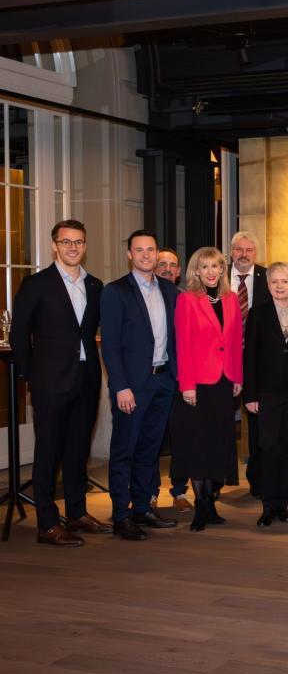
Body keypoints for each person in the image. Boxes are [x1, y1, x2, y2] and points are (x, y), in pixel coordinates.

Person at [10, 219, 107, 547]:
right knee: (48, 452)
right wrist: (29, 375)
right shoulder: (36, 284)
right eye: (66, 242)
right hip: (50, 381)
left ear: (85, 245)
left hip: (87, 378)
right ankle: (47, 524)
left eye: (78, 242)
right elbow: (18, 334)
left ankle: (77, 512)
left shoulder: (95, 285)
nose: (73, 248)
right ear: (54, 245)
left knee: (79, 450)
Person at [101, 229, 181, 540]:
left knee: (149, 450)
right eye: (140, 250)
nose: (146, 255)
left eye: (151, 250)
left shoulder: (169, 290)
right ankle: (121, 514)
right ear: (129, 254)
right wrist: (120, 386)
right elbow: (110, 344)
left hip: (163, 382)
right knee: (125, 449)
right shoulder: (115, 291)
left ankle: (143, 509)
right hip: (132, 386)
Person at [171, 246, 244, 532]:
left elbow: (236, 341)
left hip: (225, 383)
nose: (211, 272)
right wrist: (187, 385)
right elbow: (183, 346)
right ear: (196, 271)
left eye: (216, 267)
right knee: (199, 447)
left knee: (219, 445)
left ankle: (212, 503)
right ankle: (201, 507)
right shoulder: (187, 300)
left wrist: (237, 376)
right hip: (199, 384)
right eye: (205, 267)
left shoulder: (230, 299)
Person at [244, 262, 288, 526]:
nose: (280, 286)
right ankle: (268, 505)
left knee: (287, 448)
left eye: (285, 281)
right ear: (268, 285)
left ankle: (282, 504)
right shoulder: (258, 314)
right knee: (268, 447)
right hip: (267, 393)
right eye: (275, 282)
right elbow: (249, 356)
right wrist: (250, 395)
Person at [230, 231, 269, 498]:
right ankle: (217, 480)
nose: (244, 254)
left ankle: (258, 480)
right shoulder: (217, 277)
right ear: (231, 252)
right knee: (220, 422)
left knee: (258, 424)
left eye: (249, 250)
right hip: (225, 361)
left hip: (259, 362)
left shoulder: (268, 278)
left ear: (256, 253)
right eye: (239, 249)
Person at [155, 247, 191, 510]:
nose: (167, 269)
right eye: (162, 264)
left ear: (179, 272)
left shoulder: (186, 300)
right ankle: (149, 492)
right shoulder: (140, 296)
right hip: (153, 380)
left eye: (172, 265)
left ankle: (179, 492)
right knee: (152, 439)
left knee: (181, 439)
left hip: (181, 380)